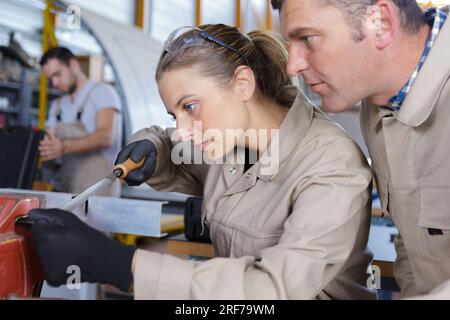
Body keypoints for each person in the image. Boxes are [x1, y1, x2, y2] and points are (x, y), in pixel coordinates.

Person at [28, 24, 376, 299]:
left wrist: (123, 265)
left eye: (190, 106)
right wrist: (151, 147)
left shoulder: (332, 166)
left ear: (242, 84)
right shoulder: (228, 142)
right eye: (174, 113)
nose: (183, 129)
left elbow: (272, 291)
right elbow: (165, 139)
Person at [271, 0, 450, 298]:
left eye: (307, 38)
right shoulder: (378, 105)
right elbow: (416, 245)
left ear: (380, 23)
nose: (293, 65)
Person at [39, 47, 122, 196]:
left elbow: (106, 137)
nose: (55, 83)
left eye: (57, 74)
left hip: (100, 189)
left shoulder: (103, 92)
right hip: (68, 188)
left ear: (73, 65)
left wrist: (63, 147)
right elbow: (49, 142)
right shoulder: (57, 105)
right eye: (51, 78)